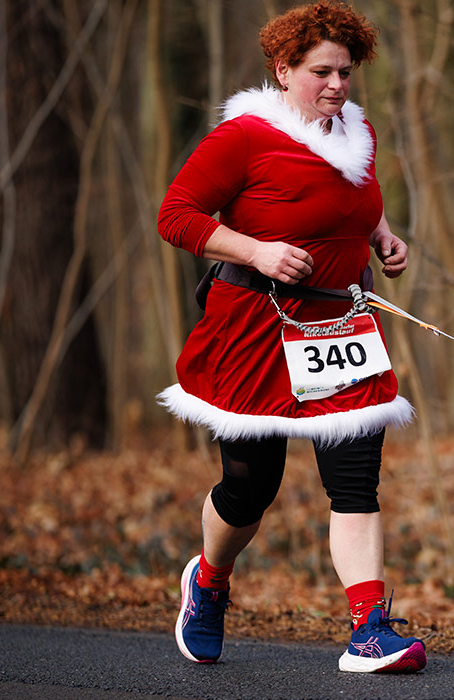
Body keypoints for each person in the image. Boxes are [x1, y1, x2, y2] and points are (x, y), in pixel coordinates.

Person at [156, 1, 424, 674]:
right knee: (252, 487)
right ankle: (209, 583)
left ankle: (369, 629)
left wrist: (380, 234)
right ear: (283, 69)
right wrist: (255, 250)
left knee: (356, 478)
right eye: (322, 73)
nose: (337, 86)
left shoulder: (353, 129)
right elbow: (175, 215)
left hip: (340, 326)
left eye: (347, 72)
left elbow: (354, 198)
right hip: (254, 328)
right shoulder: (243, 138)